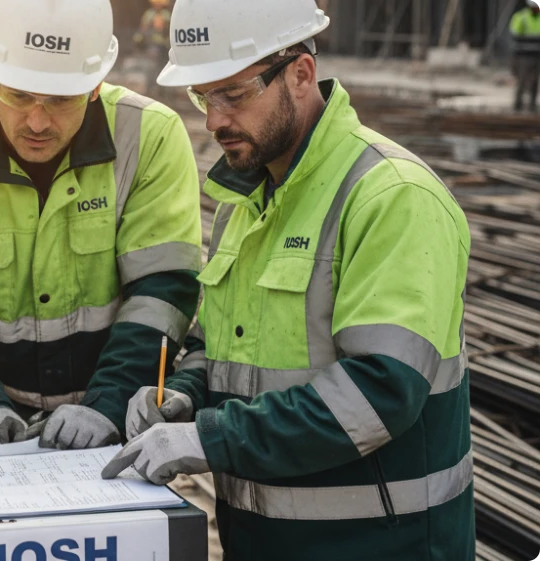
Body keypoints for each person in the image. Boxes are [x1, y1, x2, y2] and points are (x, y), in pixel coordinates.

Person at [103, 1, 475, 560]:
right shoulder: (245, 203)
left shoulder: (392, 197)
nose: (213, 121)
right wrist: (182, 396)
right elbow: (222, 348)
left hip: (378, 546)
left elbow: (380, 393)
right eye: (204, 97)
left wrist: (210, 436)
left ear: (300, 74)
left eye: (233, 94)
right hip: (260, 541)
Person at [0, 0, 201, 449]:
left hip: (115, 415)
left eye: (60, 100)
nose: (37, 122)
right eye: (18, 95)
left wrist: (109, 404)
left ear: (95, 87)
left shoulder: (149, 136)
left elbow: (161, 291)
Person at [133, 0, 172, 96]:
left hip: (163, 46)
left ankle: (161, 89)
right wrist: (139, 39)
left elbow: (169, 30)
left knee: (162, 67)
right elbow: (143, 28)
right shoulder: (149, 14)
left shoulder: (166, 15)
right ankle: (151, 88)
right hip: (152, 45)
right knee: (151, 67)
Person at [511, 0, 540, 112]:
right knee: (522, 80)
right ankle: (517, 105)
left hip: (537, 55)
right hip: (524, 55)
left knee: (535, 81)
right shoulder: (521, 17)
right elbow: (514, 33)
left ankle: (532, 105)